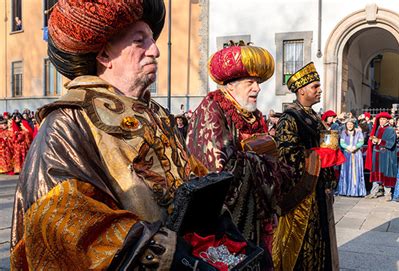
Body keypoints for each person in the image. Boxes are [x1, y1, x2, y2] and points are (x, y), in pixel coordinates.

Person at [10, 1, 195, 269]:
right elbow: (56, 216)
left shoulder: (156, 113)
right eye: (139, 41)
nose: (154, 50)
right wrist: (144, 245)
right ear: (104, 56)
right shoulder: (68, 120)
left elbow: (187, 173)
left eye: (152, 40)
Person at [186, 42, 287, 268]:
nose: (257, 89)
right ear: (230, 86)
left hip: (258, 219)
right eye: (250, 82)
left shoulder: (255, 115)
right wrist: (265, 165)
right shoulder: (212, 108)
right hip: (225, 223)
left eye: (258, 82)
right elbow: (215, 172)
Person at [272, 62, 338, 270]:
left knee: (321, 238)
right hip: (303, 192)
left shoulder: (314, 116)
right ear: (302, 90)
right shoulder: (290, 118)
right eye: (315, 87)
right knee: (304, 242)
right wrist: (319, 156)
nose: (319, 91)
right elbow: (286, 156)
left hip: (319, 187)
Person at [365, 112, 398, 200]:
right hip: (376, 154)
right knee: (375, 173)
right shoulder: (377, 128)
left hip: (386, 155)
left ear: (387, 120)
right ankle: (374, 192)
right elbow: (374, 140)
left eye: (384, 119)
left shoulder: (391, 129)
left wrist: (379, 141)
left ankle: (388, 194)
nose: (382, 121)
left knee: (386, 173)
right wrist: (373, 141)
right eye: (380, 119)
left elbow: (391, 143)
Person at [337, 118, 366, 197]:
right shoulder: (343, 132)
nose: (349, 126)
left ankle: (356, 190)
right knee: (346, 171)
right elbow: (342, 142)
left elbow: (361, 141)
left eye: (351, 124)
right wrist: (347, 147)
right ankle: (345, 190)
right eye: (348, 124)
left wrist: (355, 147)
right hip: (347, 154)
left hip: (356, 154)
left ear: (354, 125)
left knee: (356, 171)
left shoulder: (358, 132)